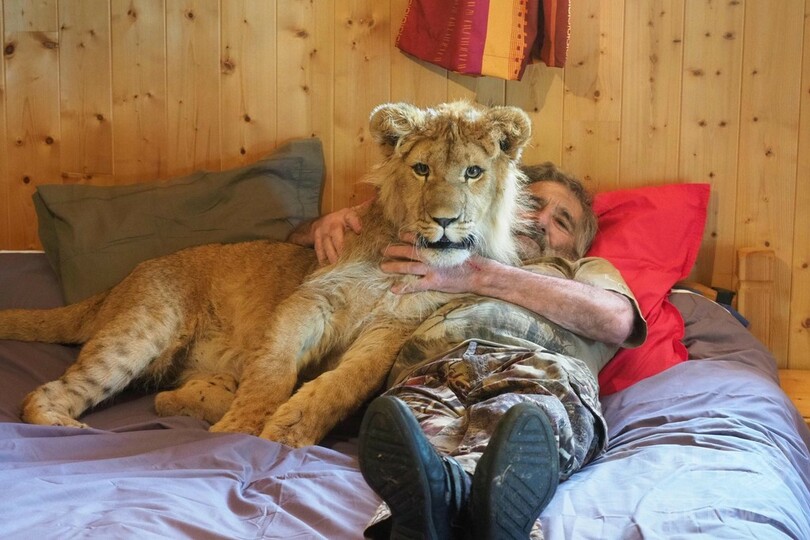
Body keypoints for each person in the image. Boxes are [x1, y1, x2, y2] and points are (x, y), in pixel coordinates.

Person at [287, 163, 647, 540]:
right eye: (532, 204)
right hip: (429, 374)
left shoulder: (580, 270)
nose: (542, 221)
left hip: (538, 374)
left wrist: (478, 275)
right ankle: (450, 513)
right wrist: (324, 226)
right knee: (416, 441)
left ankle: (453, 509)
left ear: (576, 247)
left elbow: (617, 319)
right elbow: (293, 242)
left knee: (519, 429)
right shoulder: (442, 247)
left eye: (562, 222)